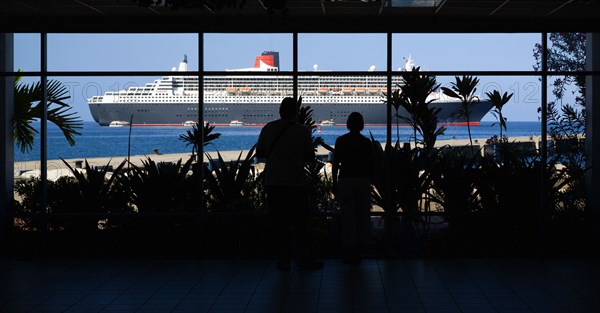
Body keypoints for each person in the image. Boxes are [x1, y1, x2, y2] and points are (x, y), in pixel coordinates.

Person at [256, 97, 323, 270]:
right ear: (295, 112)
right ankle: (303, 256)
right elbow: (310, 157)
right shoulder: (302, 131)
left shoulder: (268, 128)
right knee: (301, 221)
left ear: (279, 111)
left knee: (280, 221)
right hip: (296, 182)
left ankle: (284, 257)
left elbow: (260, 153)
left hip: (274, 181)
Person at [331, 112, 373, 265]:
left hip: (346, 180)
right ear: (361, 124)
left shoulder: (341, 141)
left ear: (348, 124)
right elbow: (371, 164)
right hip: (363, 180)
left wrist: (334, 182)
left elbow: (335, 164)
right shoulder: (366, 142)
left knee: (348, 216)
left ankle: (350, 251)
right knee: (362, 215)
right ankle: (361, 251)